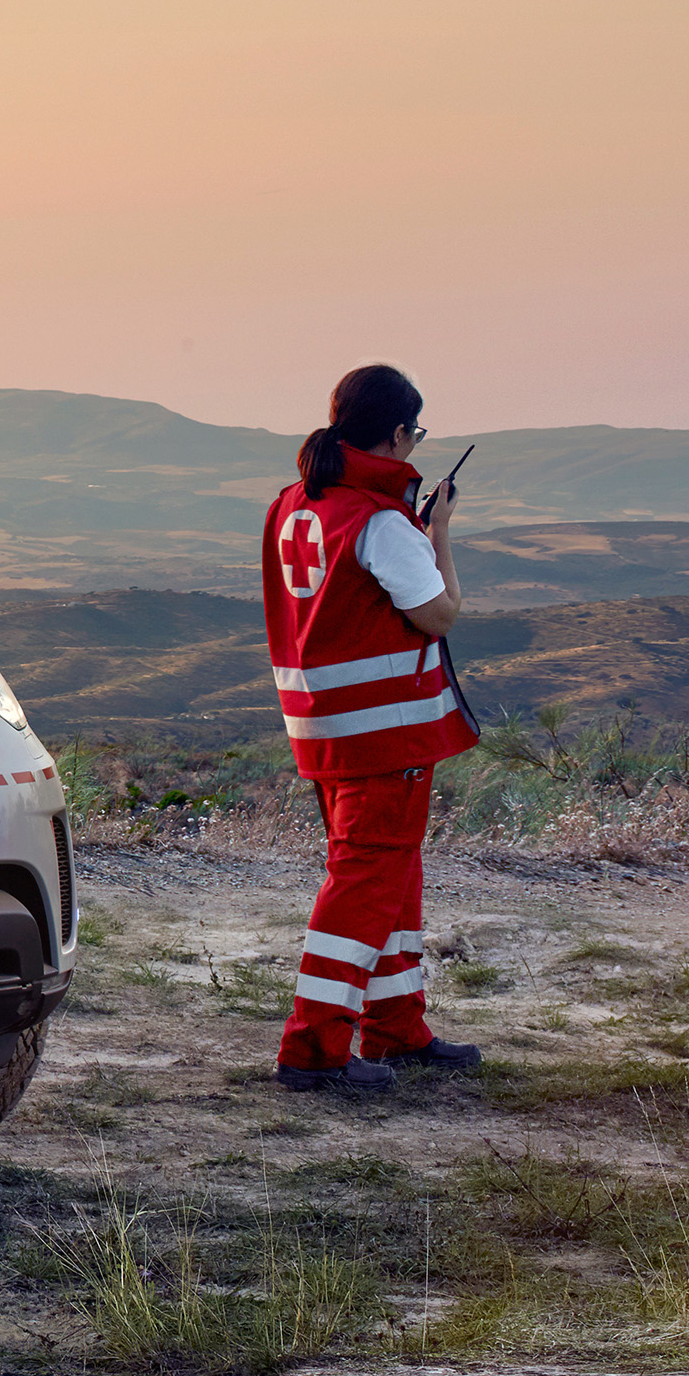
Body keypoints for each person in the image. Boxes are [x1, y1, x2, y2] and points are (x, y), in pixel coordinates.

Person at [260, 363, 484, 1094]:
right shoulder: (381, 521)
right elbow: (441, 614)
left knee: (390, 876)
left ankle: (395, 1027)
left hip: (323, 728)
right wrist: (439, 533)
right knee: (365, 881)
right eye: (414, 434)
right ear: (396, 434)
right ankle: (313, 1048)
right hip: (386, 735)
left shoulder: (293, 503)